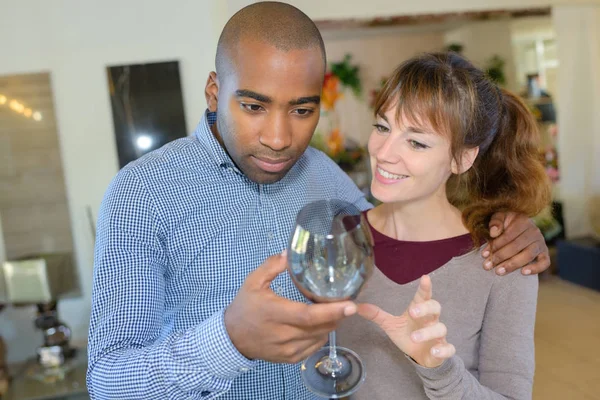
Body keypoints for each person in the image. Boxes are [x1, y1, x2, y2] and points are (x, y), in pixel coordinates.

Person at [87, 3, 551, 399]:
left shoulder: (328, 181)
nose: (278, 138)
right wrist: (229, 341)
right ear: (214, 92)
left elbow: (404, 224)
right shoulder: (141, 195)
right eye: (253, 106)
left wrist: (512, 226)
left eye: (302, 110)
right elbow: (107, 383)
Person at [336, 52, 551, 399]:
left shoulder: (503, 261)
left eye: (416, 142)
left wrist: (438, 369)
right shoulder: (335, 239)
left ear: (462, 158)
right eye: (382, 127)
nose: (385, 151)